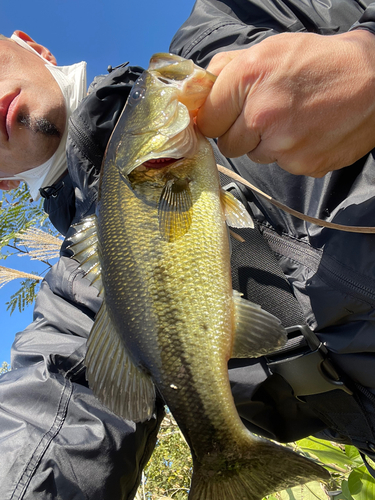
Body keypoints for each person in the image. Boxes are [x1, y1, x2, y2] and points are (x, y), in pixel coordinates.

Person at [0, 0, 375, 495]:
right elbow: (45, 424)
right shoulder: (79, 295)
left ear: (31, 46)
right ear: (3, 187)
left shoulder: (238, 19)